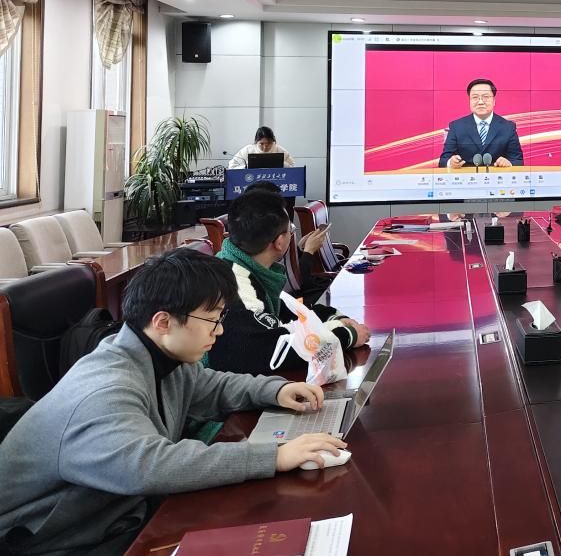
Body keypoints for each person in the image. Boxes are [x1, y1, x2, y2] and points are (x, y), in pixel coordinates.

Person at [0, 249, 345, 555]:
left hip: (111, 515)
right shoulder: (104, 390)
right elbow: (149, 466)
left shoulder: (155, 355)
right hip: (55, 540)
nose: (219, 330)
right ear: (163, 321)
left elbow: (210, 387)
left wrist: (275, 391)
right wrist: (275, 456)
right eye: (212, 319)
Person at [205, 191, 369, 376]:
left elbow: (288, 311)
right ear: (280, 242)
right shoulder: (235, 284)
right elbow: (270, 351)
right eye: (291, 229)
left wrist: (332, 317)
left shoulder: (243, 266)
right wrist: (346, 335)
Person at [440, 78, 524, 168]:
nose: (480, 102)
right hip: (467, 176)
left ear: (494, 100)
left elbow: (518, 161)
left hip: (497, 175)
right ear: (469, 101)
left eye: (486, 97)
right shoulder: (456, 127)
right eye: (475, 97)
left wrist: (509, 163)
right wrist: (450, 163)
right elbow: (443, 160)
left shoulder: (508, 127)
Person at [227, 125, 296, 169]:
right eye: (261, 144)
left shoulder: (280, 150)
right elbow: (232, 166)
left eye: (269, 143)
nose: (265, 147)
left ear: (273, 141)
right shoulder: (247, 150)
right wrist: (245, 167)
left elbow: (293, 168)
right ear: (256, 141)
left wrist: (281, 164)